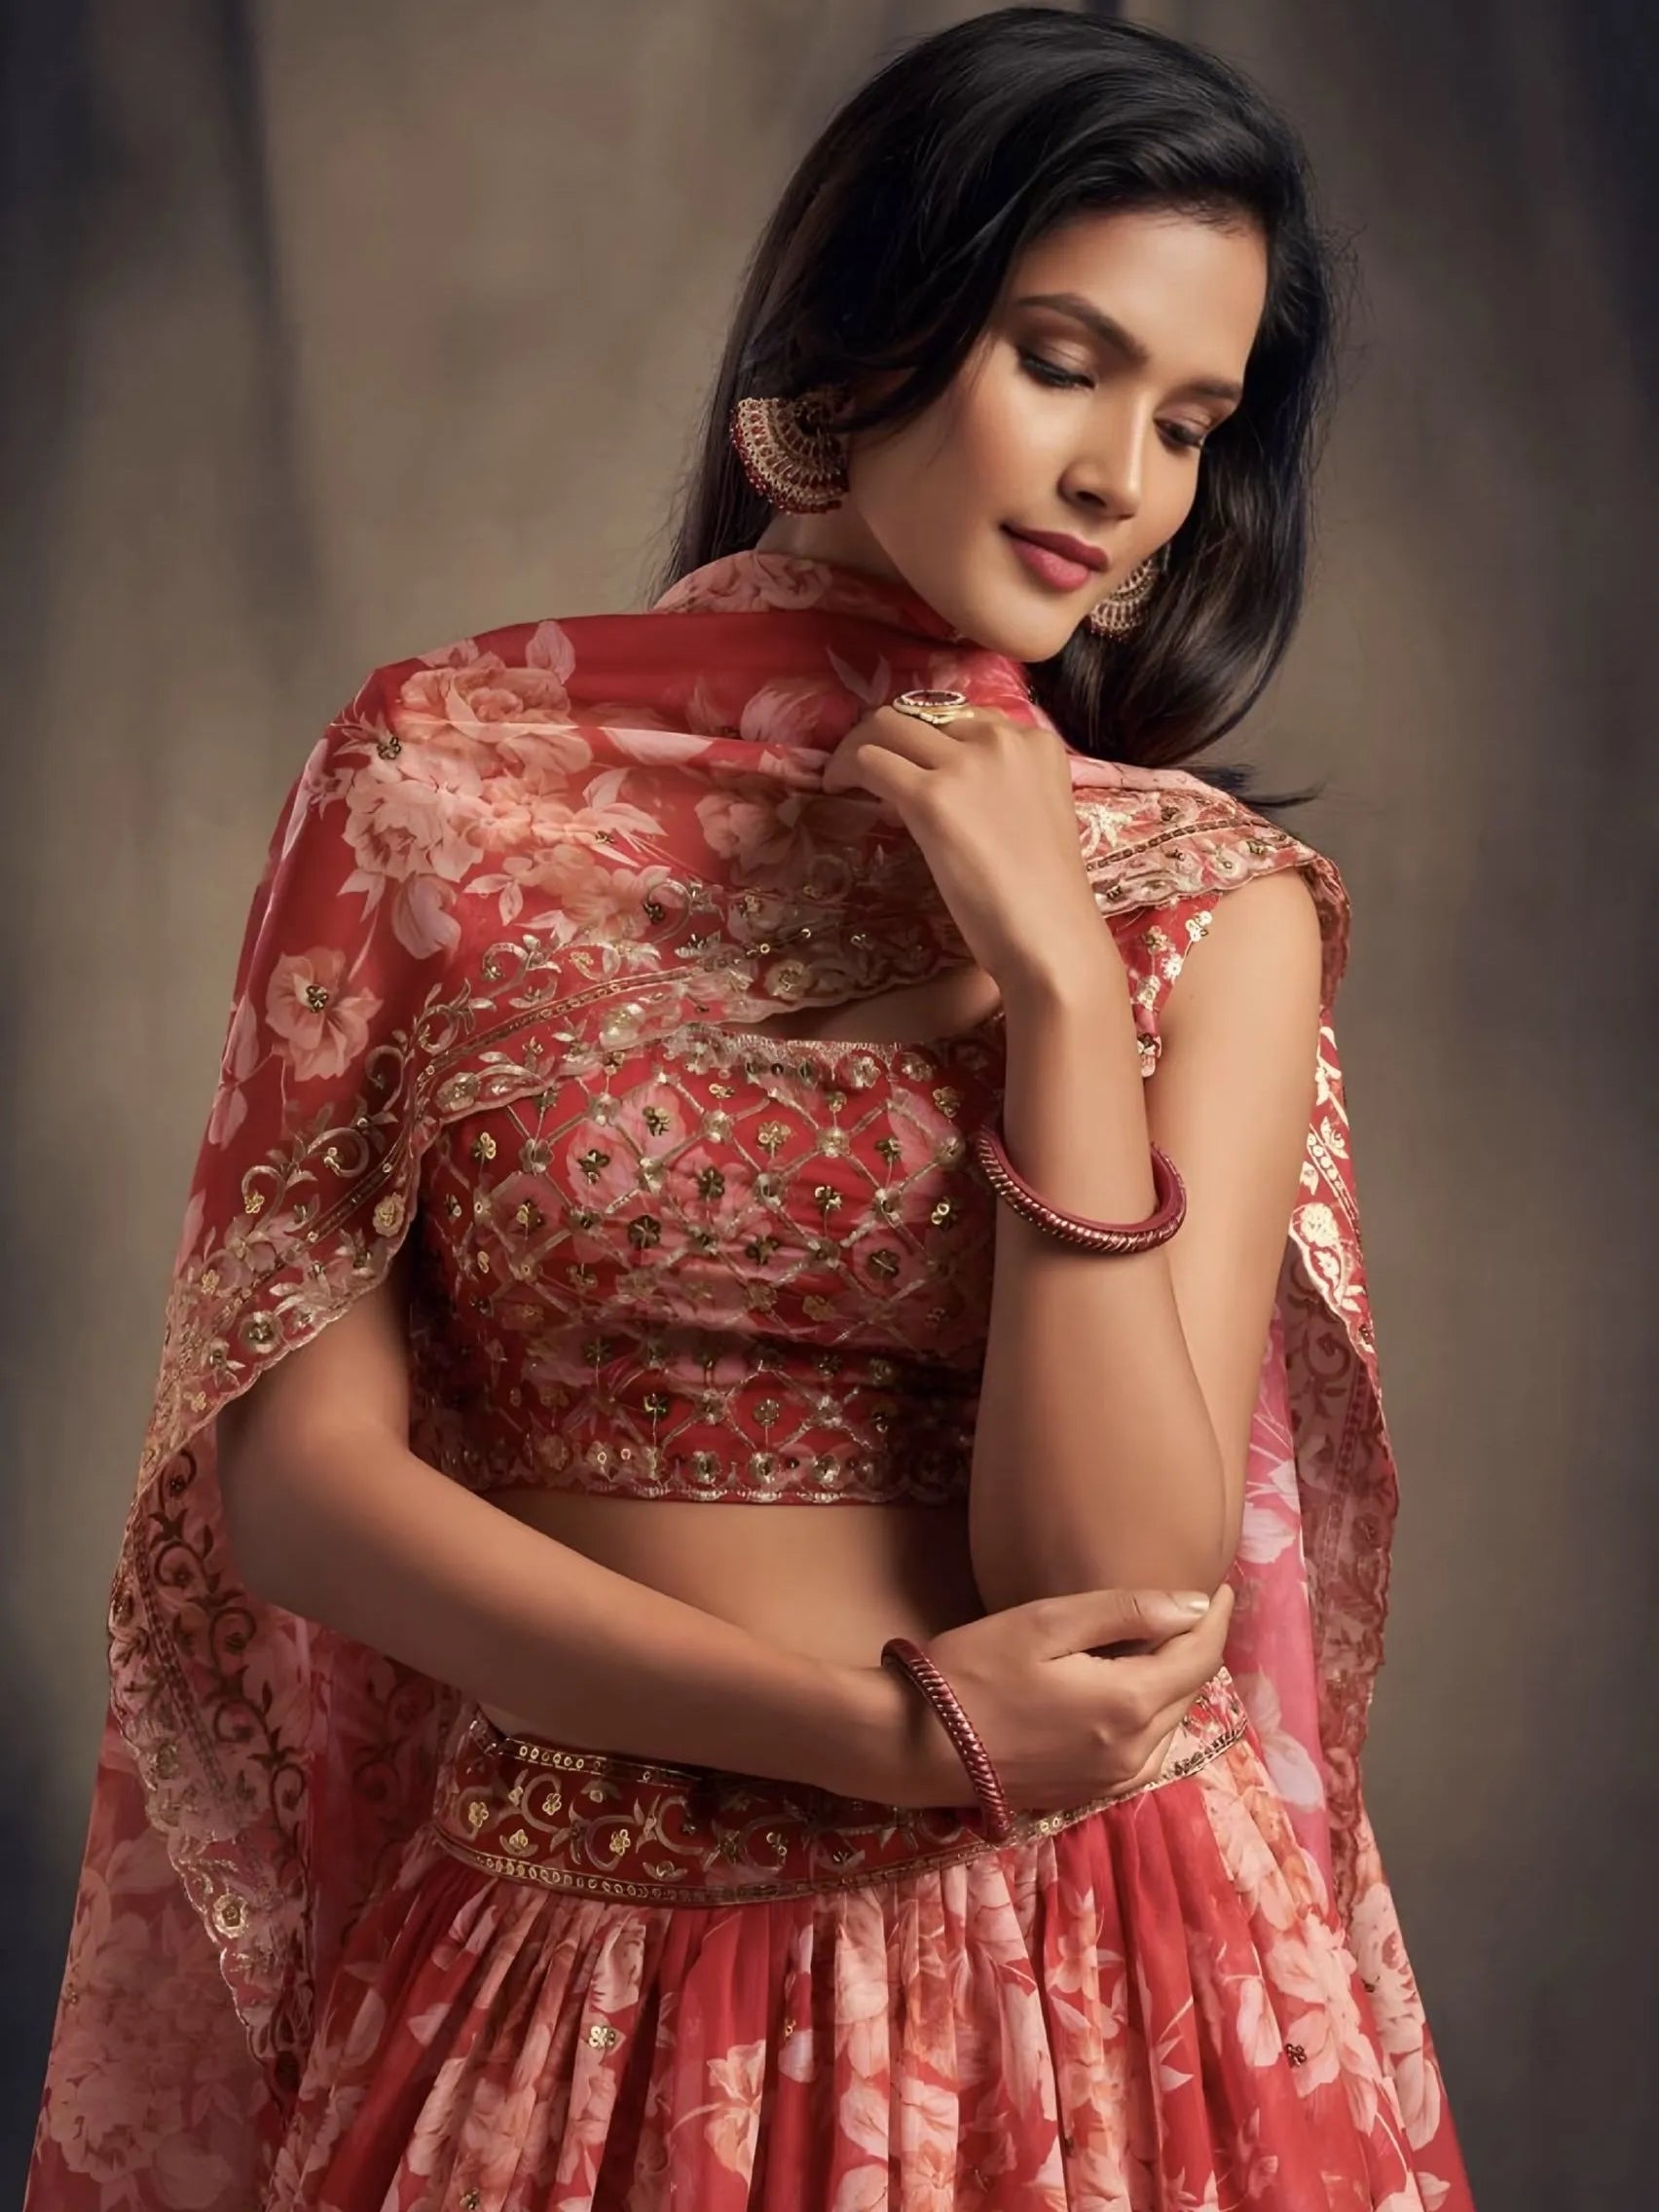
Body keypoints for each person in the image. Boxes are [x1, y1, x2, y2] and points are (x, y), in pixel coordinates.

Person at [26, 10, 1477, 2207]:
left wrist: (1066, 1002)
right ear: (865, 334)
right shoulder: (435, 785)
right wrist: (868, 1735)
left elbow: (1116, 1586)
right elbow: (299, 1489)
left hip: (1078, 1988)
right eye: (1065, 361)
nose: (1124, 481)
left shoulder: (1203, 906)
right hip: (562, 1982)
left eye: (1191, 423)